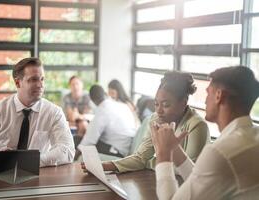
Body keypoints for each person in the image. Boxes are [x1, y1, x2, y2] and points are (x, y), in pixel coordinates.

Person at [153, 66, 259, 199]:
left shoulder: (220, 152)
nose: (205, 101)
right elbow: (201, 179)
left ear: (219, 96)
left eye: (208, 93)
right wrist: (175, 150)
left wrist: (164, 154)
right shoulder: (252, 137)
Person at [0, 57, 75, 169]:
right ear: (18, 83)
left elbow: (67, 150)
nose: (40, 85)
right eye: (33, 79)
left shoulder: (54, 113)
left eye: (42, 79)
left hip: (38, 179)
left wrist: (30, 161)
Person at [95, 71, 209, 172]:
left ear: (183, 103)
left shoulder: (197, 126)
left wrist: (150, 162)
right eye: (156, 104)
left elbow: (191, 172)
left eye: (166, 105)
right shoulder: (156, 119)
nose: (159, 111)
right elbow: (140, 158)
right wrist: (104, 166)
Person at [76, 84, 136, 159]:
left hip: (116, 152)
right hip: (126, 147)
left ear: (92, 100)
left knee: (80, 142)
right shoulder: (122, 106)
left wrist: (74, 157)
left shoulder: (102, 110)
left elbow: (89, 141)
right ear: (105, 94)